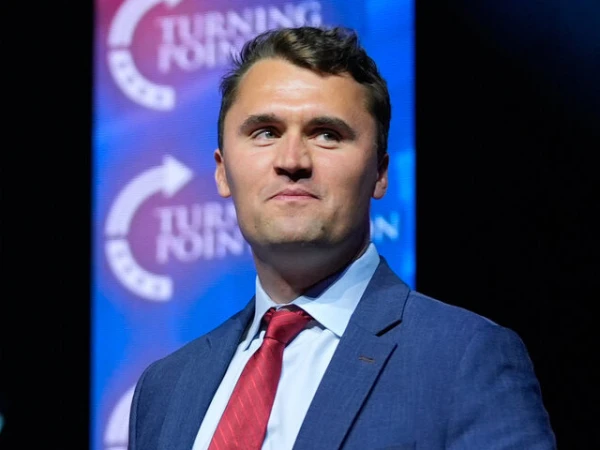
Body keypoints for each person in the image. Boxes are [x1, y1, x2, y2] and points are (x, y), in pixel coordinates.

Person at [127, 26, 556, 450]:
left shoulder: (462, 357)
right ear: (222, 170)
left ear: (380, 173)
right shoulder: (166, 389)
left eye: (327, 135)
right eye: (266, 132)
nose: (292, 160)